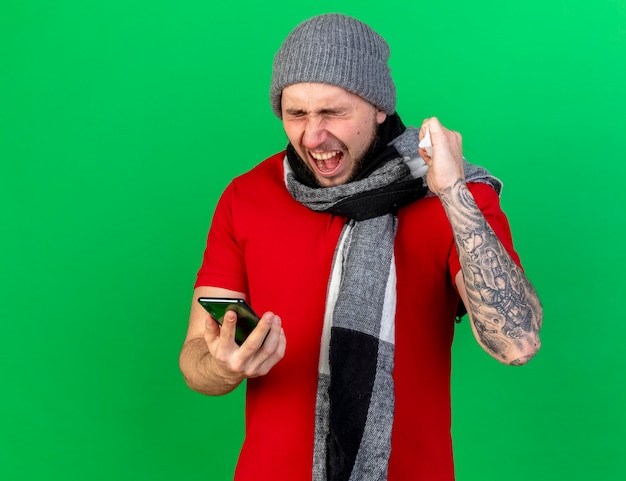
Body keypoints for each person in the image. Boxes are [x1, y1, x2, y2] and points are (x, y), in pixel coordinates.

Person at [179, 12, 542, 481]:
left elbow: (518, 344)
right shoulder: (247, 196)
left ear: (379, 108)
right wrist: (225, 366)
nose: (314, 136)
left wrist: (453, 192)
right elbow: (194, 360)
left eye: (333, 112)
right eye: (297, 113)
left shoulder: (451, 194)